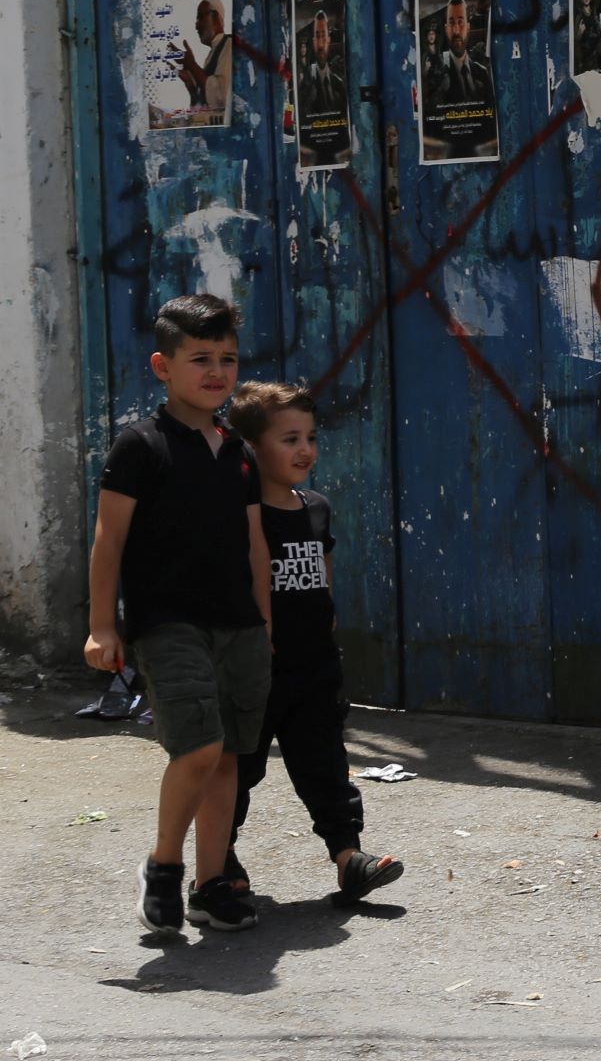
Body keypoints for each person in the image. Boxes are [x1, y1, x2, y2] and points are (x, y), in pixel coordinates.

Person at [83, 292, 271, 936]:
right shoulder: (140, 446)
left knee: (227, 761)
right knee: (199, 746)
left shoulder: (239, 453)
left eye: (227, 358)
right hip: (167, 623)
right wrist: (102, 625)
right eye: (200, 359)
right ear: (164, 366)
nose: (217, 372)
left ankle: (210, 883)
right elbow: (109, 540)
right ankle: (163, 867)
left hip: (238, 625)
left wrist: (264, 626)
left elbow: (255, 547)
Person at [220, 382, 404, 906]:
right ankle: (219, 861)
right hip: (257, 669)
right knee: (238, 769)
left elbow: (321, 582)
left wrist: (328, 644)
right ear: (252, 447)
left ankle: (350, 858)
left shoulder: (316, 507)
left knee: (324, 762)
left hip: (315, 669)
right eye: (289, 439)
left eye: (310, 437)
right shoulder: (243, 513)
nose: (305, 450)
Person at [424, 0, 491, 111]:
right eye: (451, 22)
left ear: (468, 27)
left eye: (460, 22)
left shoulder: (483, 73)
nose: (456, 30)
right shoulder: (436, 74)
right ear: (446, 28)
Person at [174, 0, 231, 117]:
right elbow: (203, 110)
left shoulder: (229, 44)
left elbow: (220, 97)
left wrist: (192, 65)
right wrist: (192, 88)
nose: (196, 25)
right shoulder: (213, 53)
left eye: (200, 17)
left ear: (215, 18)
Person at [295, 8, 346, 118]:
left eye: (323, 36)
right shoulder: (307, 81)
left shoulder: (339, 83)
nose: (321, 44)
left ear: (329, 40)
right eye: (317, 36)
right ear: (313, 42)